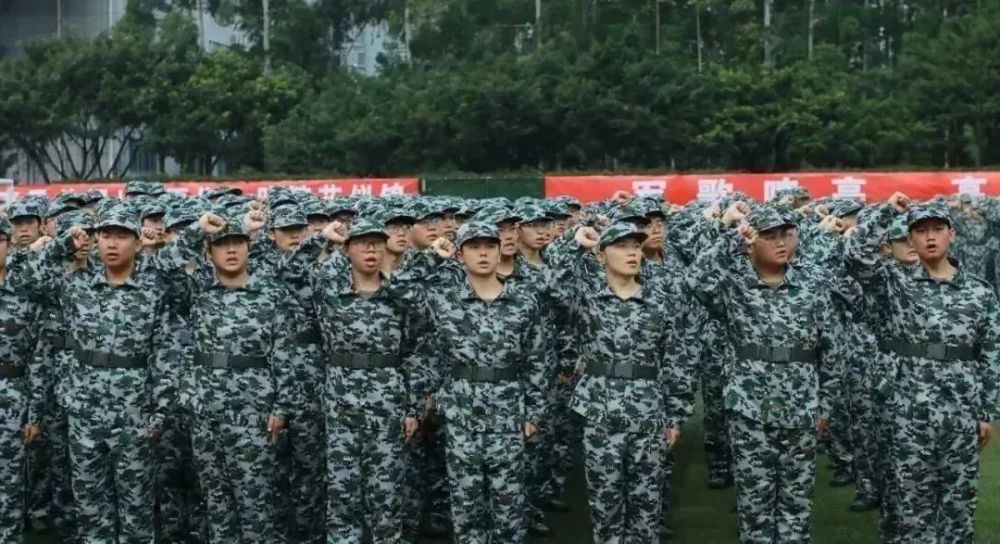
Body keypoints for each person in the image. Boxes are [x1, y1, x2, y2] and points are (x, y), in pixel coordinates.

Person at [844, 193, 1000, 543]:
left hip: (960, 412)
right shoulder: (893, 283)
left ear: (951, 233)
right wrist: (887, 211)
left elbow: (991, 355)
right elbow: (856, 257)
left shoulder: (980, 293)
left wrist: (986, 412)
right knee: (909, 508)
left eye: (937, 229)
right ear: (910, 239)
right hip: (906, 412)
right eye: (920, 230)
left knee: (958, 506)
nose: (930, 237)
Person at [688, 203, 842, 543]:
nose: (781, 242)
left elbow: (832, 348)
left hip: (802, 408)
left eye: (786, 234)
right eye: (769, 236)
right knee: (754, 505)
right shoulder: (734, 285)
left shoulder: (814, 282)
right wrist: (730, 237)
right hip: (749, 410)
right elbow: (695, 279)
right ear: (750, 243)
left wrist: (825, 406)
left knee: (796, 504)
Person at [550, 221, 695, 543]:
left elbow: (676, 361)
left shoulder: (660, 300)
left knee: (647, 507)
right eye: (621, 246)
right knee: (605, 506)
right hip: (600, 413)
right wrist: (574, 244)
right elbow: (552, 286)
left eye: (636, 246)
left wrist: (675, 416)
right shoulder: (587, 298)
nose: (632, 253)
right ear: (601, 255)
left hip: (648, 412)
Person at [169, 211, 298, 543]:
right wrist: (197, 231)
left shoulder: (271, 294)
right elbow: (165, 268)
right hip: (205, 411)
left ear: (248, 248)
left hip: (253, 413)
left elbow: (285, 354)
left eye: (238, 243)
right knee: (216, 500)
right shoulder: (197, 291)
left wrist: (281, 407)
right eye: (221, 245)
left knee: (256, 501)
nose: (231, 250)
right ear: (209, 251)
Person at [426, 222, 547, 544]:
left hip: (508, 413)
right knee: (465, 504)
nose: (483, 253)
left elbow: (536, 359)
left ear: (500, 250)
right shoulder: (444, 302)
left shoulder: (523, 301)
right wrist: (434, 401)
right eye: (474, 247)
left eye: (490, 246)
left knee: (509, 504)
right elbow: (430, 354)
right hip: (461, 413)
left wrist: (534, 412)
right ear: (460, 254)